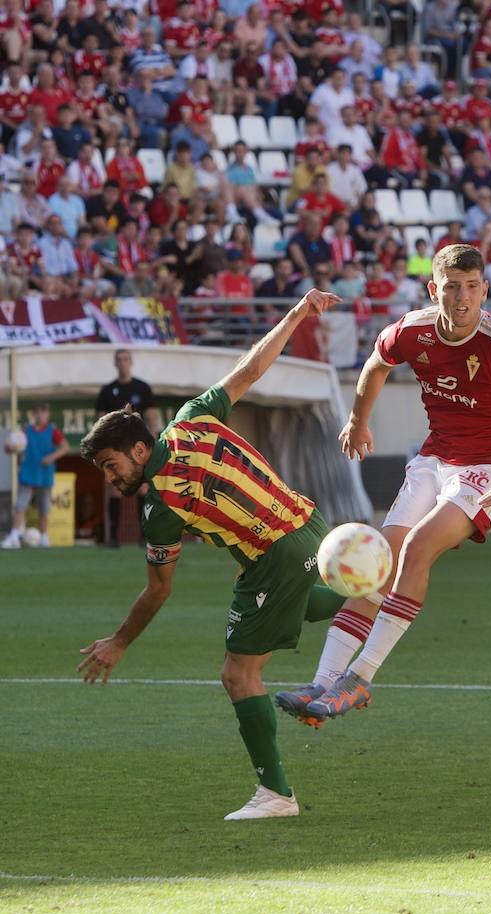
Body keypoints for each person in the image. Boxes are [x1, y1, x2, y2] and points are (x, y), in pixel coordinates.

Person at [275, 244, 491, 725]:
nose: (462, 298)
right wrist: (358, 421)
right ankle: (323, 681)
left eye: (472, 287)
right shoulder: (411, 331)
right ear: (433, 289)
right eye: (452, 287)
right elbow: (375, 365)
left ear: (484, 289)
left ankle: (360, 679)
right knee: (382, 556)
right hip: (436, 457)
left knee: (418, 548)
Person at [75, 289, 353, 820]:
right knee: (287, 601)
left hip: (274, 551)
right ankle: (373, 597)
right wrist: (295, 313)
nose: (111, 480)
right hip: (308, 523)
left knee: (238, 675)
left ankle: (276, 795)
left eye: (111, 466)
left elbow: (159, 589)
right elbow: (250, 370)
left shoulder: (160, 505)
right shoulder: (191, 418)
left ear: (138, 450)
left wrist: (119, 642)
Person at [95, 349, 159, 548]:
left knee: (142, 487)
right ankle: (113, 537)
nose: (123, 363)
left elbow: (152, 418)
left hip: (137, 447)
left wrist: (153, 443)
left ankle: (144, 535)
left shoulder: (142, 388)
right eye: (119, 360)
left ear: (131, 362)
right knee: (116, 488)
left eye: (125, 359)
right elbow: (100, 420)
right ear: (115, 363)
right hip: (116, 447)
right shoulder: (107, 390)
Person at [2, 403, 69, 549]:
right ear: (32, 414)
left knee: (44, 507)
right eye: (37, 412)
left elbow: (65, 447)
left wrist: (52, 457)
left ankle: (44, 537)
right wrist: (10, 447)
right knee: (21, 505)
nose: (40, 415)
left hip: (45, 473)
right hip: (28, 472)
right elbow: (11, 445)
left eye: (43, 412)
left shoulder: (53, 431)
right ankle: (14, 536)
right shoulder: (26, 430)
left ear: (48, 414)